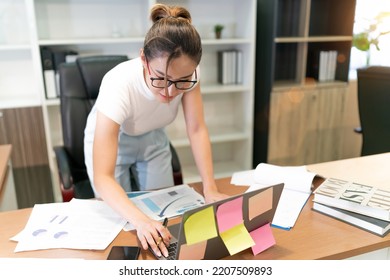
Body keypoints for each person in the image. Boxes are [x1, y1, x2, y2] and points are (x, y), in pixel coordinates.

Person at [84, 3, 228, 258]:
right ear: (143, 59)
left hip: (153, 138)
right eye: (160, 78)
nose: (169, 92)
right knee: (126, 222)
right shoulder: (118, 83)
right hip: (113, 140)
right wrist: (139, 221)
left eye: (181, 81)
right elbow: (103, 178)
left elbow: (196, 129)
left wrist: (210, 187)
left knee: (165, 217)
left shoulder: (188, 73)